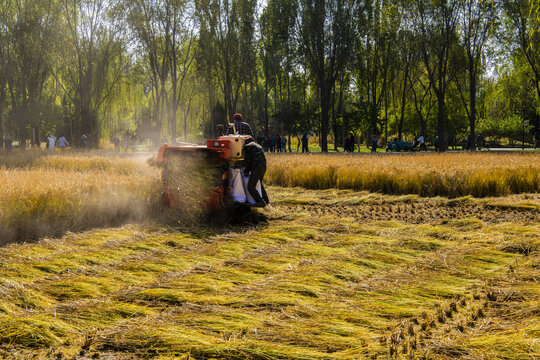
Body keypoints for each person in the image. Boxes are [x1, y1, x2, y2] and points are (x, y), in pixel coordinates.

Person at [243, 138, 269, 207]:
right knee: (259, 184)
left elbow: (248, 160)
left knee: (250, 186)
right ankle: (266, 200)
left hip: (257, 168)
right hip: (263, 166)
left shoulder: (248, 146)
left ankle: (260, 201)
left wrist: (246, 171)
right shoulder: (258, 146)